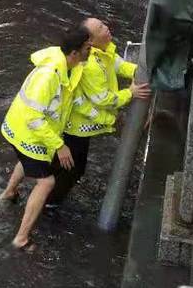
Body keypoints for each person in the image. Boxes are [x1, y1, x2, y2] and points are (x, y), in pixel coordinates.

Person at [0, 24, 91, 249]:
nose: (92, 51)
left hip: (20, 130)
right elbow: (33, 117)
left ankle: (9, 193)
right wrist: (59, 145)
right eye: (88, 48)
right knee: (47, 182)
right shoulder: (49, 76)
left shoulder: (67, 64)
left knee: (28, 160)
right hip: (28, 133)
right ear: (74, 53)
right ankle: (21, 238)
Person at [50, 18, 150, 206]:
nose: (107, 28)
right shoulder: (91, 65)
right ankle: (51, 202)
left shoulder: (105, 50)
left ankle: (51, 191)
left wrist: (142, 72)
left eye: (103, 25)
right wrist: (130, 92)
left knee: (72, 167)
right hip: (77, 126)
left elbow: (120, 66)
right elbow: (102, 99)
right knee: (72, 168)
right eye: (101, 28)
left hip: (85, 120)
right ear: (91, 41)